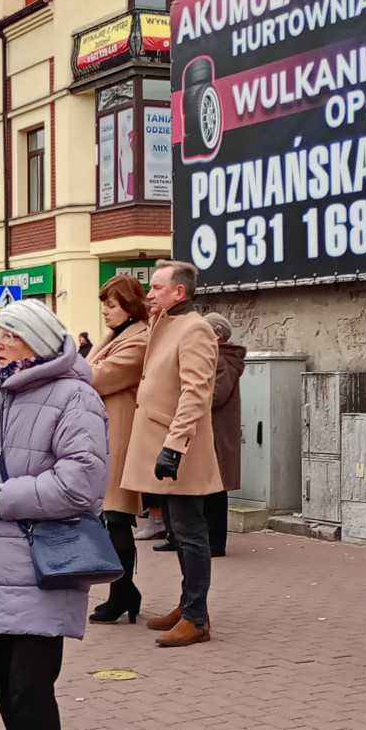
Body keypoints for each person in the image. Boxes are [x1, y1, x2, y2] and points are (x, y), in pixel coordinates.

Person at [0, 299, 109, 730]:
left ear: (36, 341)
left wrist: (0, 497)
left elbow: (81, 482)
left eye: (8, 334)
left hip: (46, 564)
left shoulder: (74, 396)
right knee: (1, 679)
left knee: (29, 688)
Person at [121, 259, 223, 647]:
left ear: (179, 292)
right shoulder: (166, 323)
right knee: (180, 532)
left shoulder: (194, 329)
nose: (149, 293)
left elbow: (195, 393)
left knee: (191, 532)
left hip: (179, 449)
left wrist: (174, 446)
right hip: (163, 445)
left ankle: (196, 617)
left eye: (157, 288)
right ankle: (188, 605)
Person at [85, 275, 149, 625]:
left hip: (120, 436)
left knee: (116, 514)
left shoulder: (138, 338)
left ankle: (122, 593)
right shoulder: (116, 336)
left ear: (129, 305)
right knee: (109, 517)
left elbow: (98, 376)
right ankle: (125, 591)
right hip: (104, 434)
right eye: (104, 305)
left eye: (111, 305)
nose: (106, 312)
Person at [203, 313, 246, 558]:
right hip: (213, 434)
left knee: (215, 493)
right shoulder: (217, 358)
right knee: (210, 492)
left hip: (217, 436)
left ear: (216, 335)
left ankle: (215, 544)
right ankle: (209, 542)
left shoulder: (222, 361)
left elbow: (215, 396)